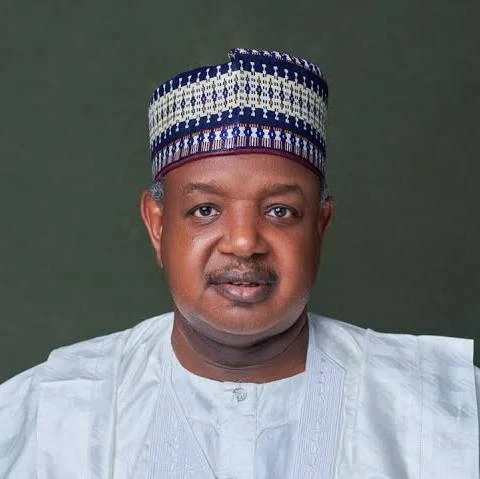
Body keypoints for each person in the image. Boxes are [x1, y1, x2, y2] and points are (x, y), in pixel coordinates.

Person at [0, 48, 478, 479]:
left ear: (321, 225)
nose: (244, 243)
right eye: (205, 210)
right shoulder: (53, 413)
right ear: (158, 225)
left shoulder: (442, 415)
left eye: (280, 211)